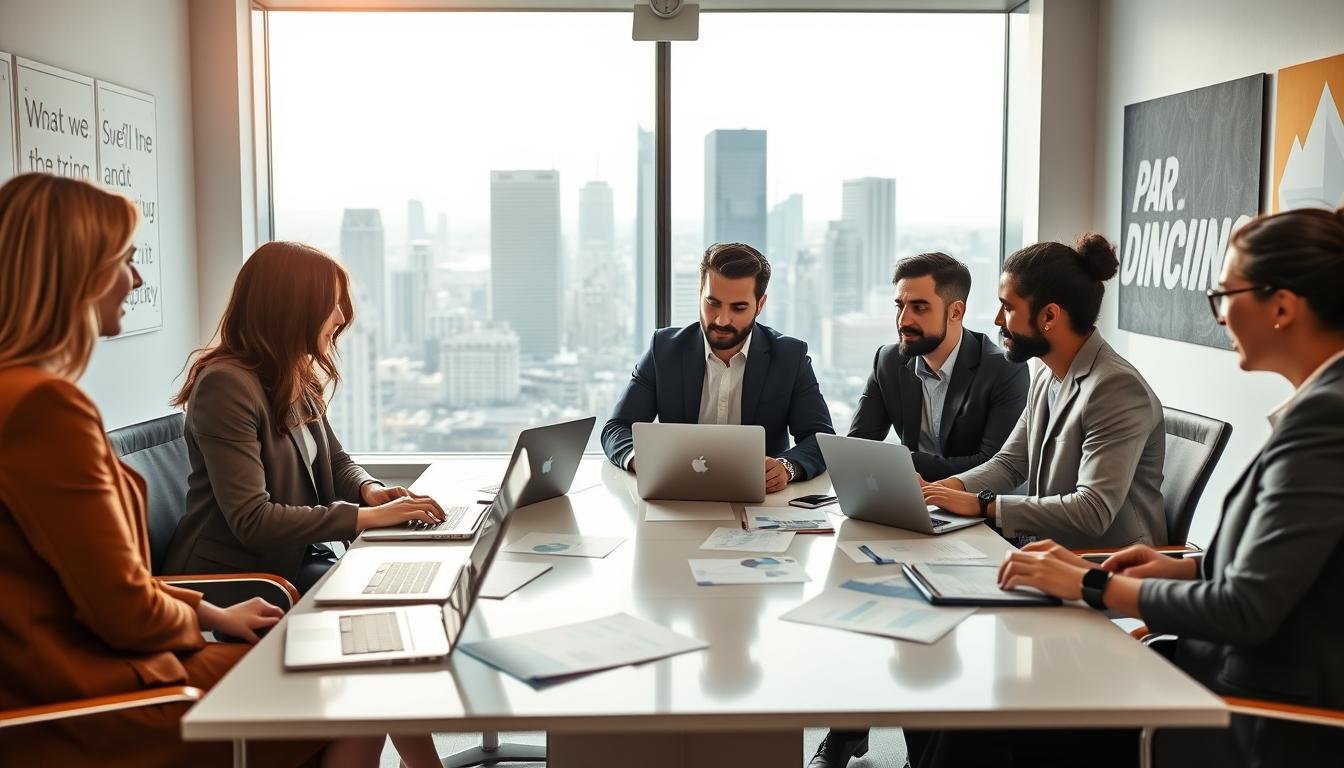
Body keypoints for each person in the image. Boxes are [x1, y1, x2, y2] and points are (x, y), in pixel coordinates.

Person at [0, 172, 394, 766]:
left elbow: (99, 589)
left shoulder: (20, 398)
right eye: (124, 260)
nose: (135, 278)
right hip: (97, 698)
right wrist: (205, 618)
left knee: (354, 663)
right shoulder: (45, 409)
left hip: (83, 669)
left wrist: (210, 612)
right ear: (73, 273)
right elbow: (122, 608)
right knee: (362, 678)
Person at [990, 207, 1344, 768]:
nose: (1221, 315)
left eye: (1225, 295)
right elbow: (1287, 571)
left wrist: (1093, 585)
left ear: (1282, 306)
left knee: (1001, 724)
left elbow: (1246, 607)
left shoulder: (1327, 420)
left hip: (1254, 711)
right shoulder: (1322, 408)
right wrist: (1178, 567)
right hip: (1215, 668)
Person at [811, 252, 1029, 767]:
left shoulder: (1003, 371)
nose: (903, 319)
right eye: (899, 305)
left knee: (917, 614)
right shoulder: (891, 360)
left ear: (956, 312)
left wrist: (904, 463)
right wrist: (885, 469)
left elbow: (997, 464)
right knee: (849, 587)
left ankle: (923, 753)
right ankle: (847, 729)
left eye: (919, 307)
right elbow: (861, 442)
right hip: (911, 513)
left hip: (979, 523)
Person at [162, 242, 446, 595]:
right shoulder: (226, 386)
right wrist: (368, 518)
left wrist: (368, 490)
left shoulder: (291, 373)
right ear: (293, 309)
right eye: (332, 305)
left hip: (291, 561)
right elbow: (252, 519)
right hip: (232, 580)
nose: (341, 318)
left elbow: (336, 460)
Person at [921, 234, 1166, 549]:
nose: (998, 320)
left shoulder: (1115, 388)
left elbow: (1093, 510)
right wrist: (936, 491)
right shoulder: (1047, 376)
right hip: (1048, 552)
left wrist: (984, 505)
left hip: (1105, 565)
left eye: (1007, 307)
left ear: (1049, 316)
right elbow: (1010, 464)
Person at [601, 242, 834, 491]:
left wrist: (787, 467)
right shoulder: (664, 349)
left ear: (760, 304)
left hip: (762, 501)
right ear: (700, 292)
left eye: (739, 307)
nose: (722, 319)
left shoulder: (790, 357)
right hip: (676, 492)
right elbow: (617, 428)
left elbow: (819, 438)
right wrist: (638, 459)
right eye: (713, 303)